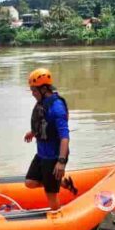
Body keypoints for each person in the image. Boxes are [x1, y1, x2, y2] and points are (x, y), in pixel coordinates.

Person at [24, 68, 71, 211]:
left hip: (54, 157)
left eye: (34, 91)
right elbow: (43, 122)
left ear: (44, 89)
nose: (32, 94)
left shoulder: (57, 108)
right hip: (42, 153)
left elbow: (64, 137)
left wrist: (61, 162)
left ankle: (58, 220)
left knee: (50, 195)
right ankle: (61, 182)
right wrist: (33, 132)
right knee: (30, 182)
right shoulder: (43, 102)